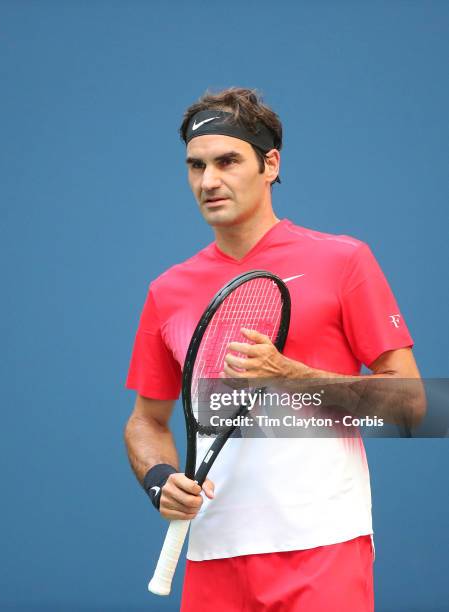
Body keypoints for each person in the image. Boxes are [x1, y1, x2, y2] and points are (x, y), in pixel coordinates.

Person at [124, 87, 424, 611]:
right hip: (213, 554)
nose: (209, 181)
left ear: (270, 164)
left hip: (323, 545)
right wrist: (158, 479)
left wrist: (291, 376)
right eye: (196, 166)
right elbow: (146, 422)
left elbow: (414, 406)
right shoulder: (167, 290)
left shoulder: (345, 260)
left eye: (227, 161)